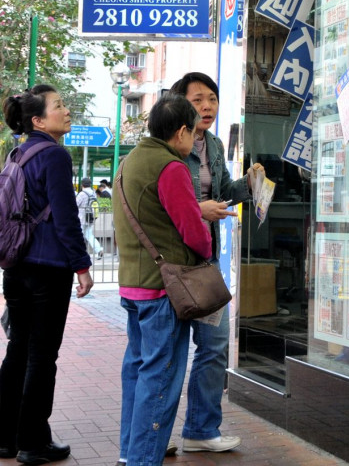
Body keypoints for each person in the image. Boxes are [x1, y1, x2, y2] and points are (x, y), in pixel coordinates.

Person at [113, 93, 212, 466]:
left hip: (134, 285)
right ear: (183, 131)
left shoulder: (130, 161)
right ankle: (142, 460)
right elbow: (194, 231)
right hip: (163, 290)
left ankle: (130, 453)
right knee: (161, 378)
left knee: (137, 372)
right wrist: (205, 249)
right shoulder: (170, 167)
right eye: (194, 132)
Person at [169, 72, 264, 453]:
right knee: (168, 353)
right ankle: (150, 435)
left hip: (206, 264)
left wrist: (250, 182)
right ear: (179, 104)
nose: (207, 106)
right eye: (197, 100)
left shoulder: (213, 144)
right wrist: (197, 208)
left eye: (211, 98)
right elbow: (162, 202)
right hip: (173, 265)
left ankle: (201, 430)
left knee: (214, 345)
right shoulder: (167, 146)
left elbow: (222, 195)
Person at [0, 85, 94, 464]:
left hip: (16, 265)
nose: (67, 111)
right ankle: (34, 441)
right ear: (38, 120)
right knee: (42, 355)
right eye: (59, 106)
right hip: (47, 269)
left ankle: (5, 437)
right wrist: (82, 266)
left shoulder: (17, 152)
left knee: (18, 348)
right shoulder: (55, 155)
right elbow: (65, 216)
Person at [75, 177, 103, 259]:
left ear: (82, 185)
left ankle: (79, 254)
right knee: (89, 235)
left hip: (81, 218)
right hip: (90, 217)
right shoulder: (93, 193)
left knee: (79, 236)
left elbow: (75, 205)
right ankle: (99, 250)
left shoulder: (82, 194)